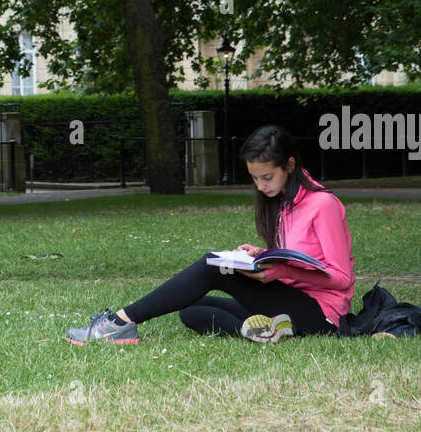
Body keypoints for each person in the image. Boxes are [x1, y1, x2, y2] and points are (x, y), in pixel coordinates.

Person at [66, 124, 355, 345]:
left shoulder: (322, 204)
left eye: (267, 177)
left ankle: (119, 322)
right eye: (254, 178)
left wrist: (280, 270)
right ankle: (262, 331)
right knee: (190, 309)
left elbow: (343, 279)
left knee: (213, 265)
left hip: (322, 313)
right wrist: (260, 254)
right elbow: (293, 256)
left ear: (290, 166)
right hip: (287, 300)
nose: (260, 186)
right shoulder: (282, 202)